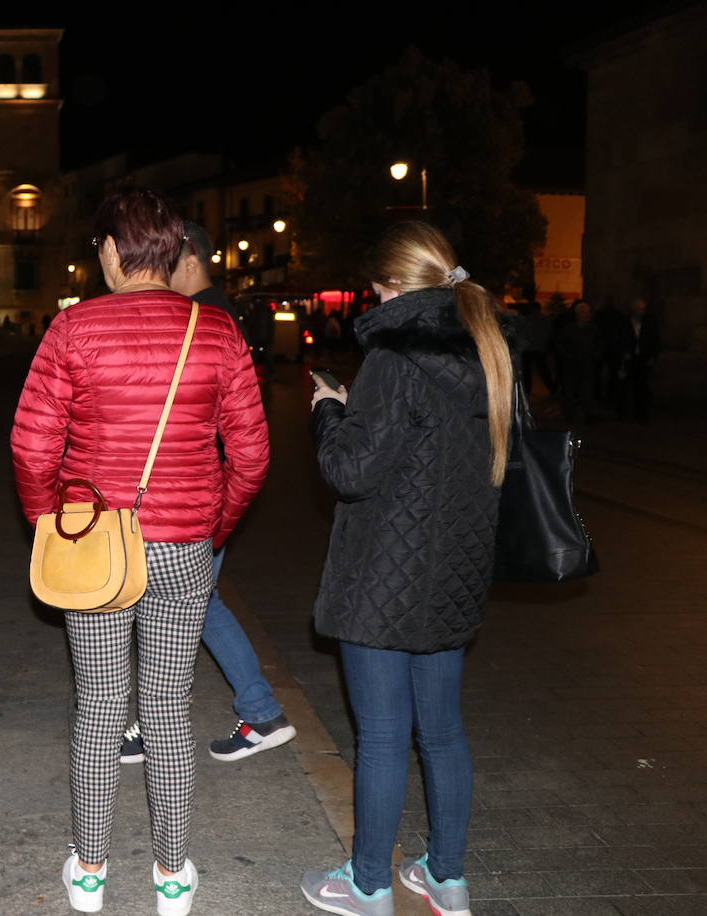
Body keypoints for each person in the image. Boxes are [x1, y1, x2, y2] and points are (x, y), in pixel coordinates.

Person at [12, 189, 269, 916]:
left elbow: (32, 444)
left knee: (98, 706)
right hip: (184, 545)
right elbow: (250, 453)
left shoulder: (72, 330)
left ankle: (89, 873)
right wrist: (213, 524)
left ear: (110, 251)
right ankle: (171, 874)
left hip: (95, 546)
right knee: (166, 707)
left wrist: (48, 523)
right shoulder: (215, 332)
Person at [299, 221, 515, 916]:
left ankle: (367, 886)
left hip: (383, 576)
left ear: (392, 287)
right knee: (443, 730)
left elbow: (351, 471)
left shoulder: (395, 356)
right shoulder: (489, 346)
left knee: (385, 735)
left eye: (376, 286)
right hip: (453, 569)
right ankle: (446, 879)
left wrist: (328, 413)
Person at [120, 220, 293, 768]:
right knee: (195, 605)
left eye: (165, 259)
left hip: (196, 491)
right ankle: (260, 714)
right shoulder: (217, 315)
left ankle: (172, 724)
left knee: (172, 604)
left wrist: (218, 512)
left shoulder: (209, 319)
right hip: (204, 490)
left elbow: (239, 432)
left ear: (188, 258)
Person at [555, 299, 601, 424]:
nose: (586, 315)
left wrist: (596, 354)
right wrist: (567, 357)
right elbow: (559, 345)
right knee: (570, 390)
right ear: (577, 314)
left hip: (588, 364)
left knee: (587, 390)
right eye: (583, 313)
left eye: (587, 313)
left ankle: (589, 414)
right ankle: (568, 415)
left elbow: (599, 344)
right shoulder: (569, 329)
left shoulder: (593, 329)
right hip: (572, 365)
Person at [622, 297, 660, 423]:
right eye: (638, 309)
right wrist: (624, 352)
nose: (640, 312)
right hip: (629, 358)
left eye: (642, 309)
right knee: (626, 386)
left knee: (642, 387)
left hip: (643, 359)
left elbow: (655, 341)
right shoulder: (625, 322)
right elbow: (620, 338)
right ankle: (626, 412)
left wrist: (652, 356)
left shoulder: (649, 323)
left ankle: (641, 413)